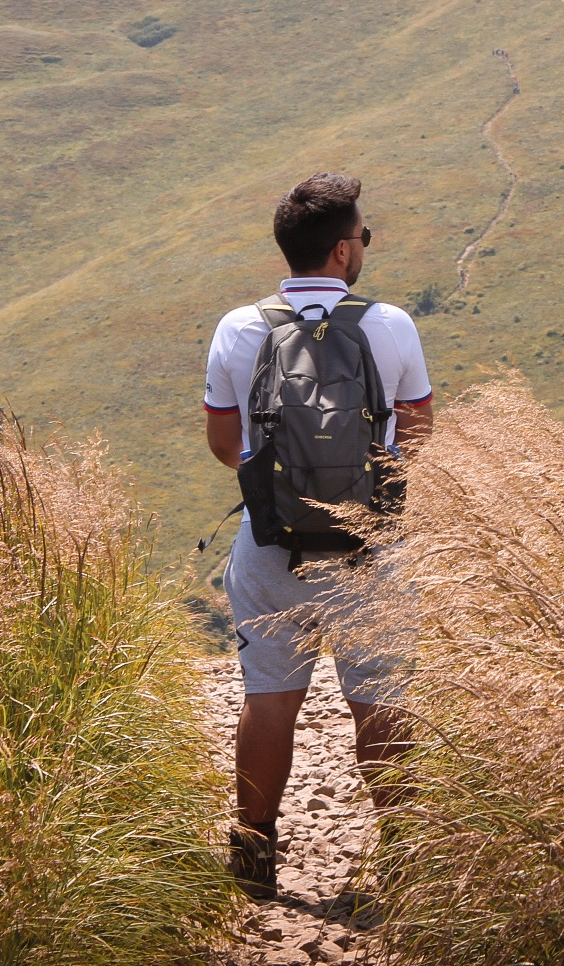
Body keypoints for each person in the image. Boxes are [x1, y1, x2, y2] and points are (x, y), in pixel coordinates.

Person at [202, 171, 432, 899]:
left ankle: (253, 856)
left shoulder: (240, 328)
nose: (364, 245)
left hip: (270, 545)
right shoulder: (389, 325)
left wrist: (281, 478)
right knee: (378, 698)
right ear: (340, 251)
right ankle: (406, 859)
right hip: (373, 547)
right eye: (363, 236)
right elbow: (420, 433)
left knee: (270, 696)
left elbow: (221, 441)